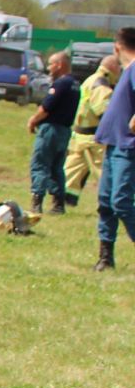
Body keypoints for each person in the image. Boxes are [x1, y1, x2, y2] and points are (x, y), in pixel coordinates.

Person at [90, 26, 135, 270]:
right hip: (114, 145)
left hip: (128, 147)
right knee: (106, 202)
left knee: (121, 202)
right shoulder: (128, 71)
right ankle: (105, 257)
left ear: (117, 47)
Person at [26, 50, 78, 216]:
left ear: (60, 65)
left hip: (50, 130)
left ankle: (36, 202)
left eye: (51, 64)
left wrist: (33, 120)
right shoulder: (76, 85)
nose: (49, 68)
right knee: (57, 168)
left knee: (40, 165)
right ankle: (58, 204)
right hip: (64, 131)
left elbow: (47, 107)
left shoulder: (61, 84)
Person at [66, 51, 121, 200]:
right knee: (105, 172)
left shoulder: (90, 79)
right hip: (94, 139)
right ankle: (113, 203)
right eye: (120, 67)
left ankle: (61, 202)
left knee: (72, 171)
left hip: (79, 136)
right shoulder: (101, 84)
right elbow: (104, 111)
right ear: (113, 67)